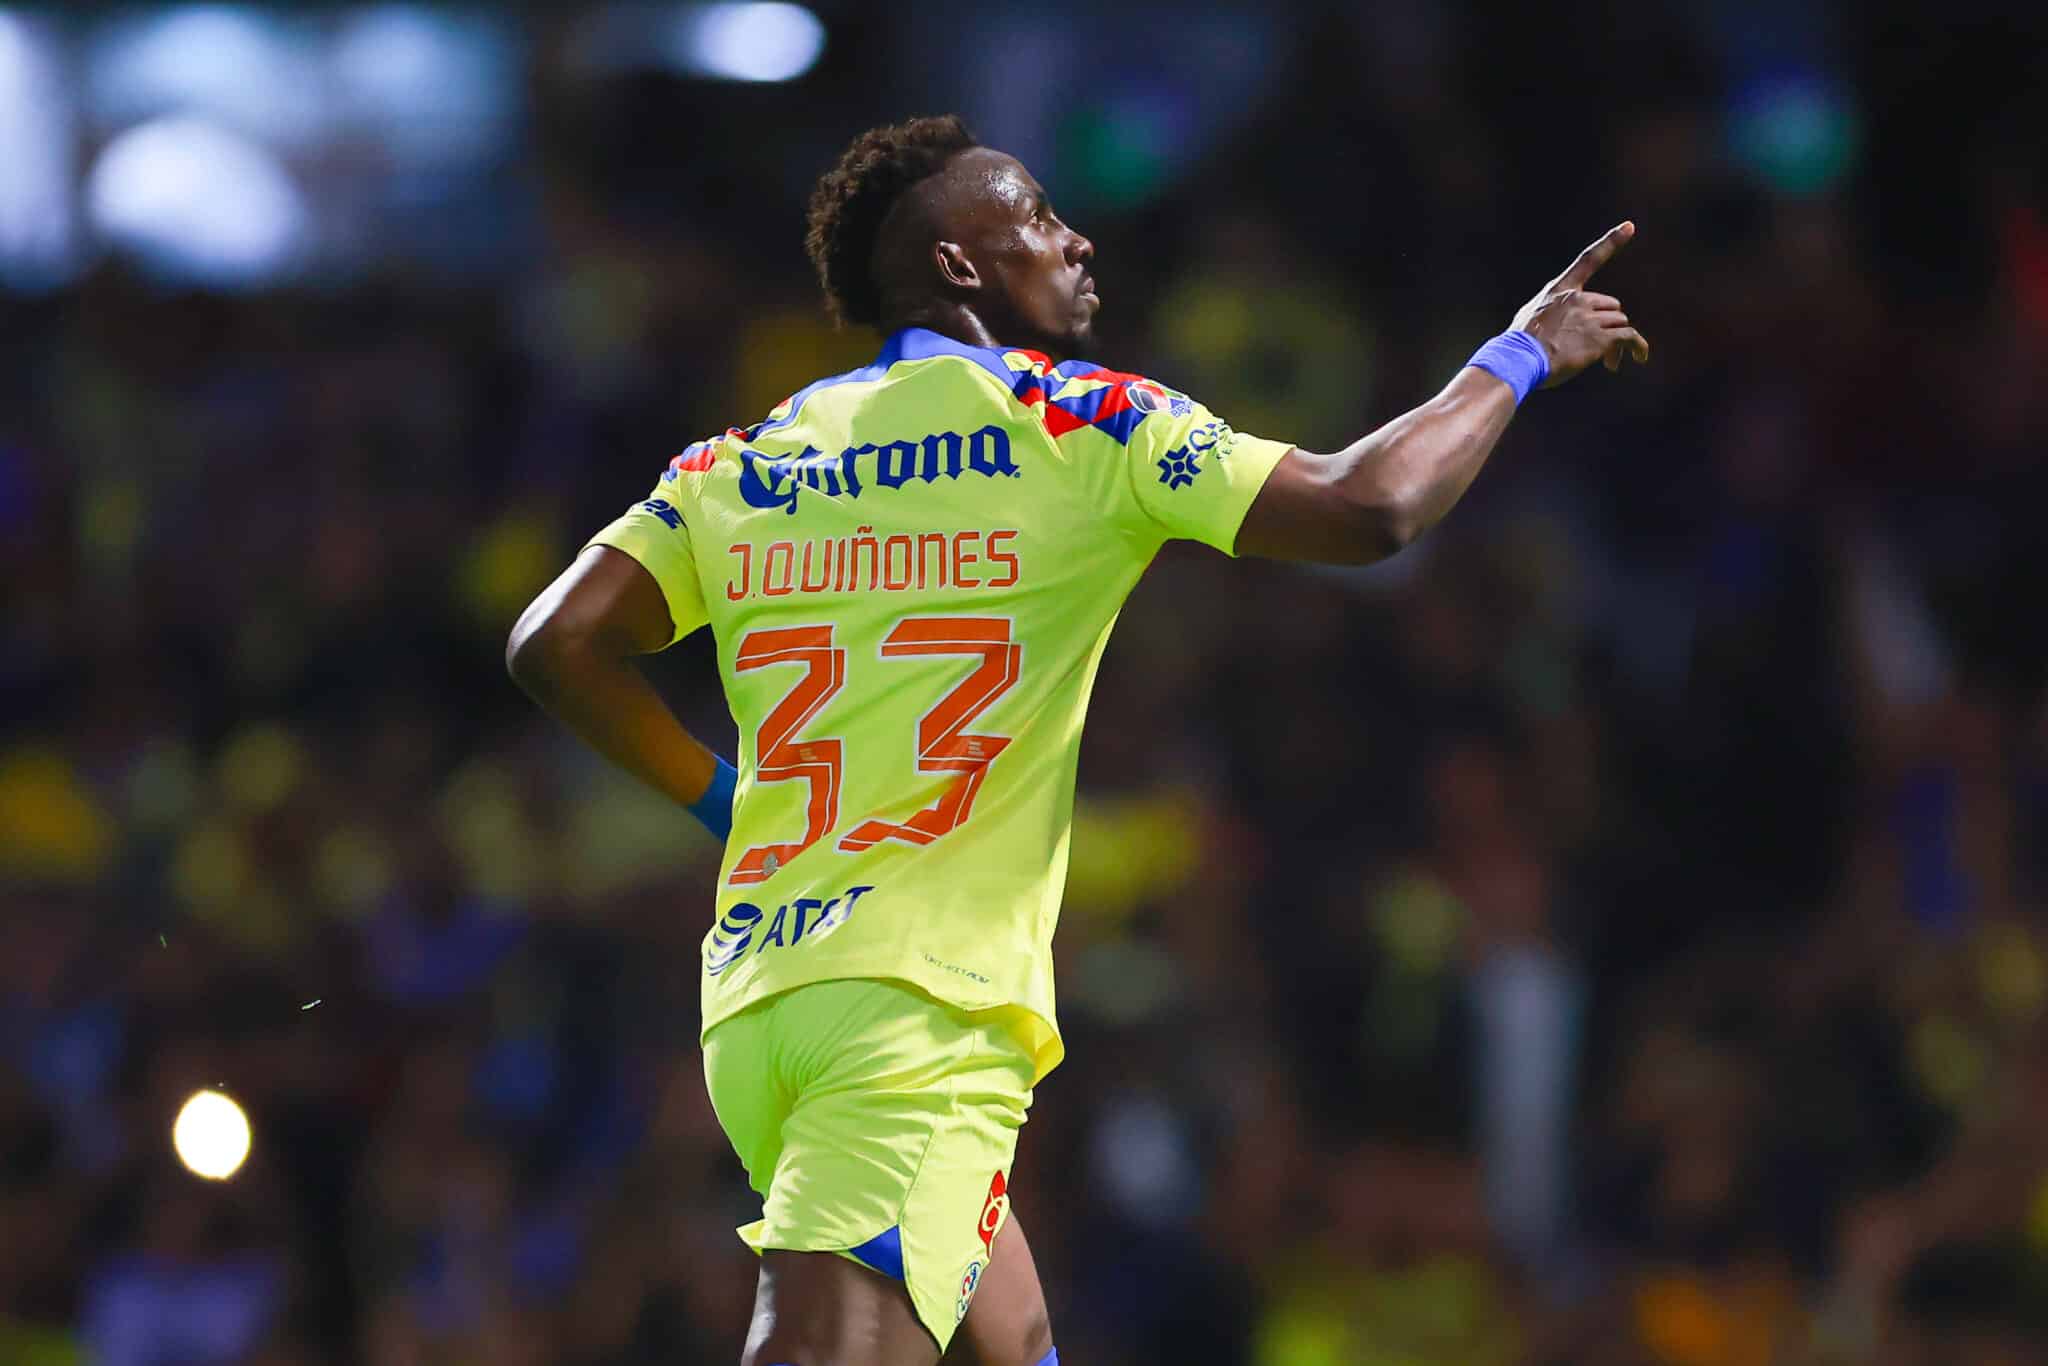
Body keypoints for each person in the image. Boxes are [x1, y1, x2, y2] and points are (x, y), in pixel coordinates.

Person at [507, 114, 1649, 1366]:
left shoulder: (748, 457)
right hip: (917, 1008)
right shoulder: (1079, 423)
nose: (1075, 236)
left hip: (764, 1003)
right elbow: (1370, 505)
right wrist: (1517, 354)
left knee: (1017, 1336)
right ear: (957, 264)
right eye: (1039, 215)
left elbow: (554, 645)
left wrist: (724, 803)